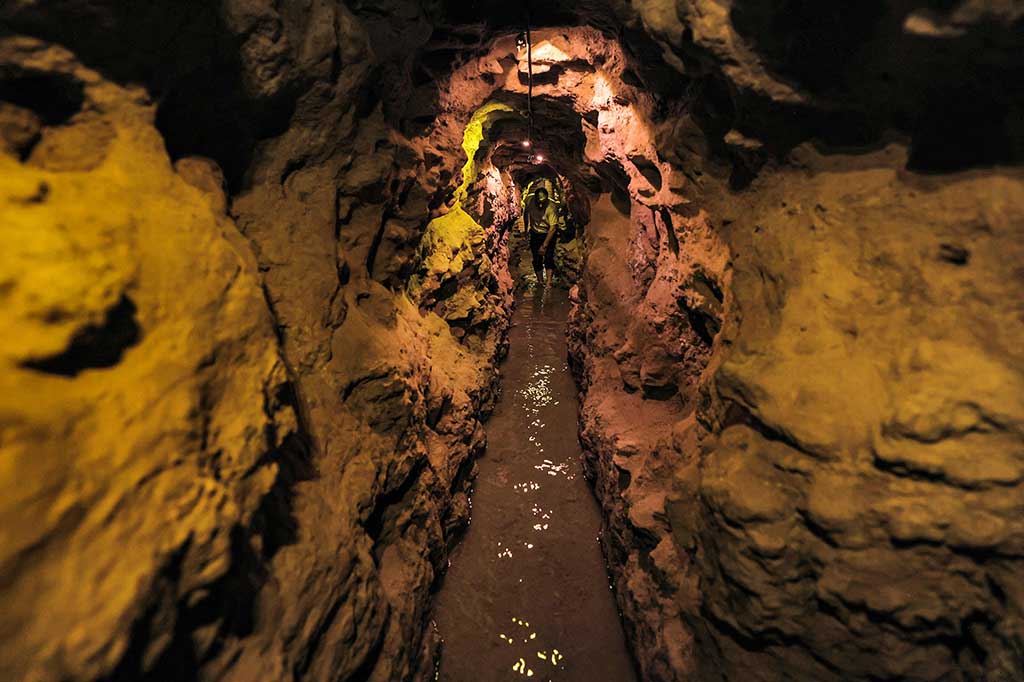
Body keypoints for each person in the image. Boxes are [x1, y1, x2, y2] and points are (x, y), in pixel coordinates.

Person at [523, 187, 559, 286]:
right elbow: (526, 213)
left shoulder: (551, 207)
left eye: (543, 201)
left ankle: (548, 282)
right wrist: (526, 229)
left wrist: (544, 245)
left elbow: (553, 228)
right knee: (536, 258)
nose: (540, 204)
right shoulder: (530, 201)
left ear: (547, 199)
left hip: (548, 233)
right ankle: (540, 281)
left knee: (548, 257)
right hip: (535, 232)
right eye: (538, 201)